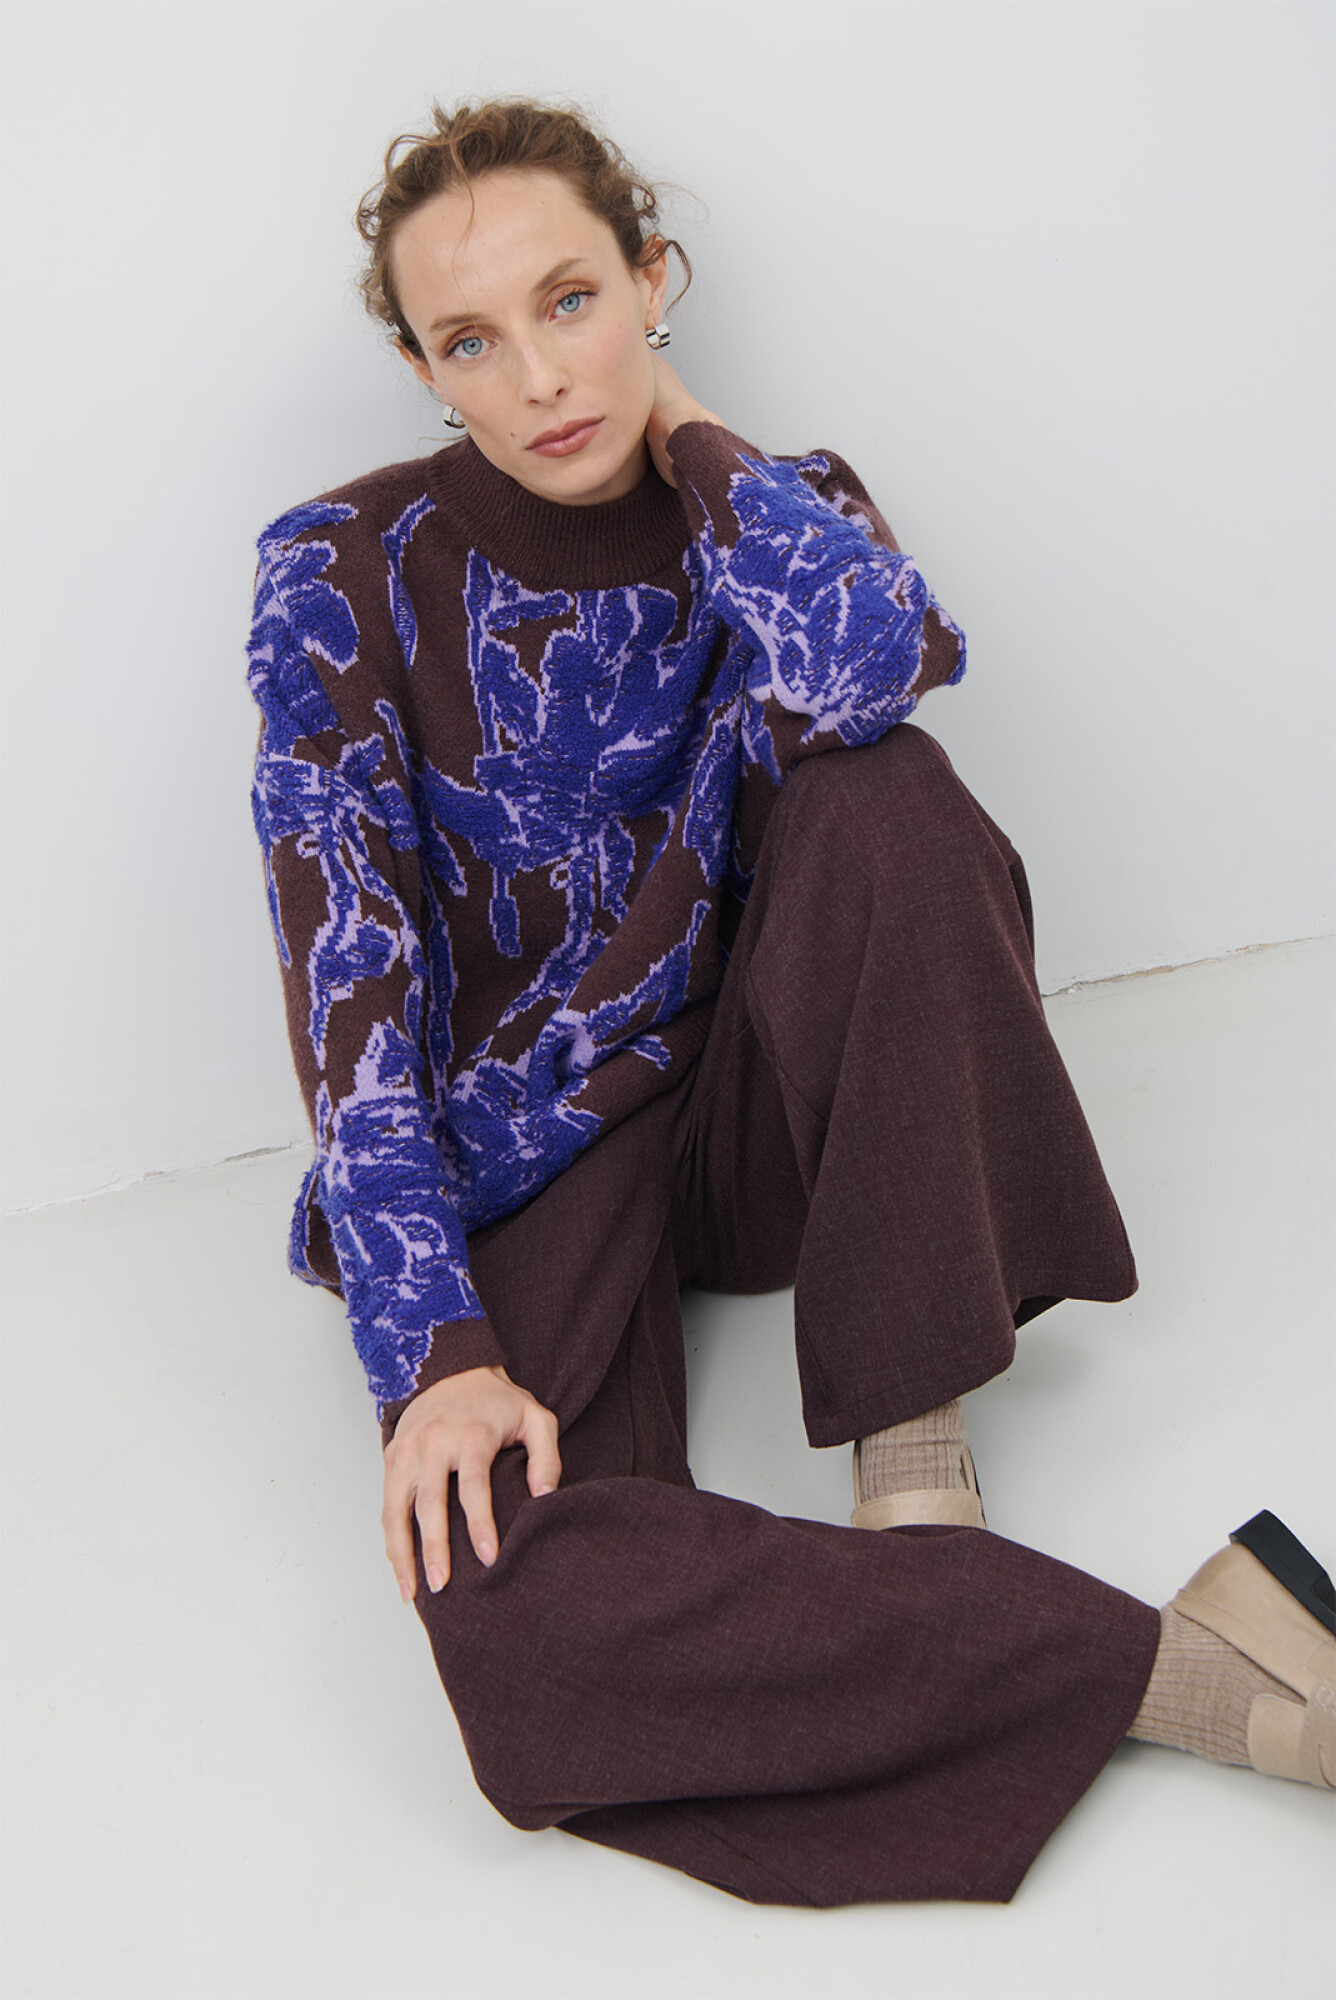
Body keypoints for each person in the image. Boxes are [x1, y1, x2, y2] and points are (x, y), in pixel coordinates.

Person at [246, 97, 1334, 1907]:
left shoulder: (776, 506)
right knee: (511, 1630)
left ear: (651, 279)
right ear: (426, 372)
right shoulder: (337, 572)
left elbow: (885, 664)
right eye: (472, 340)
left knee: (887, 793)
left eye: (572, 299)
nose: (542, 376)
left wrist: (687, 436)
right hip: (531, 1158)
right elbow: (343, 969)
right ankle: (1198, 1677)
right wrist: (434, 1356)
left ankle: (914, 1454)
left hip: (781, 1117)